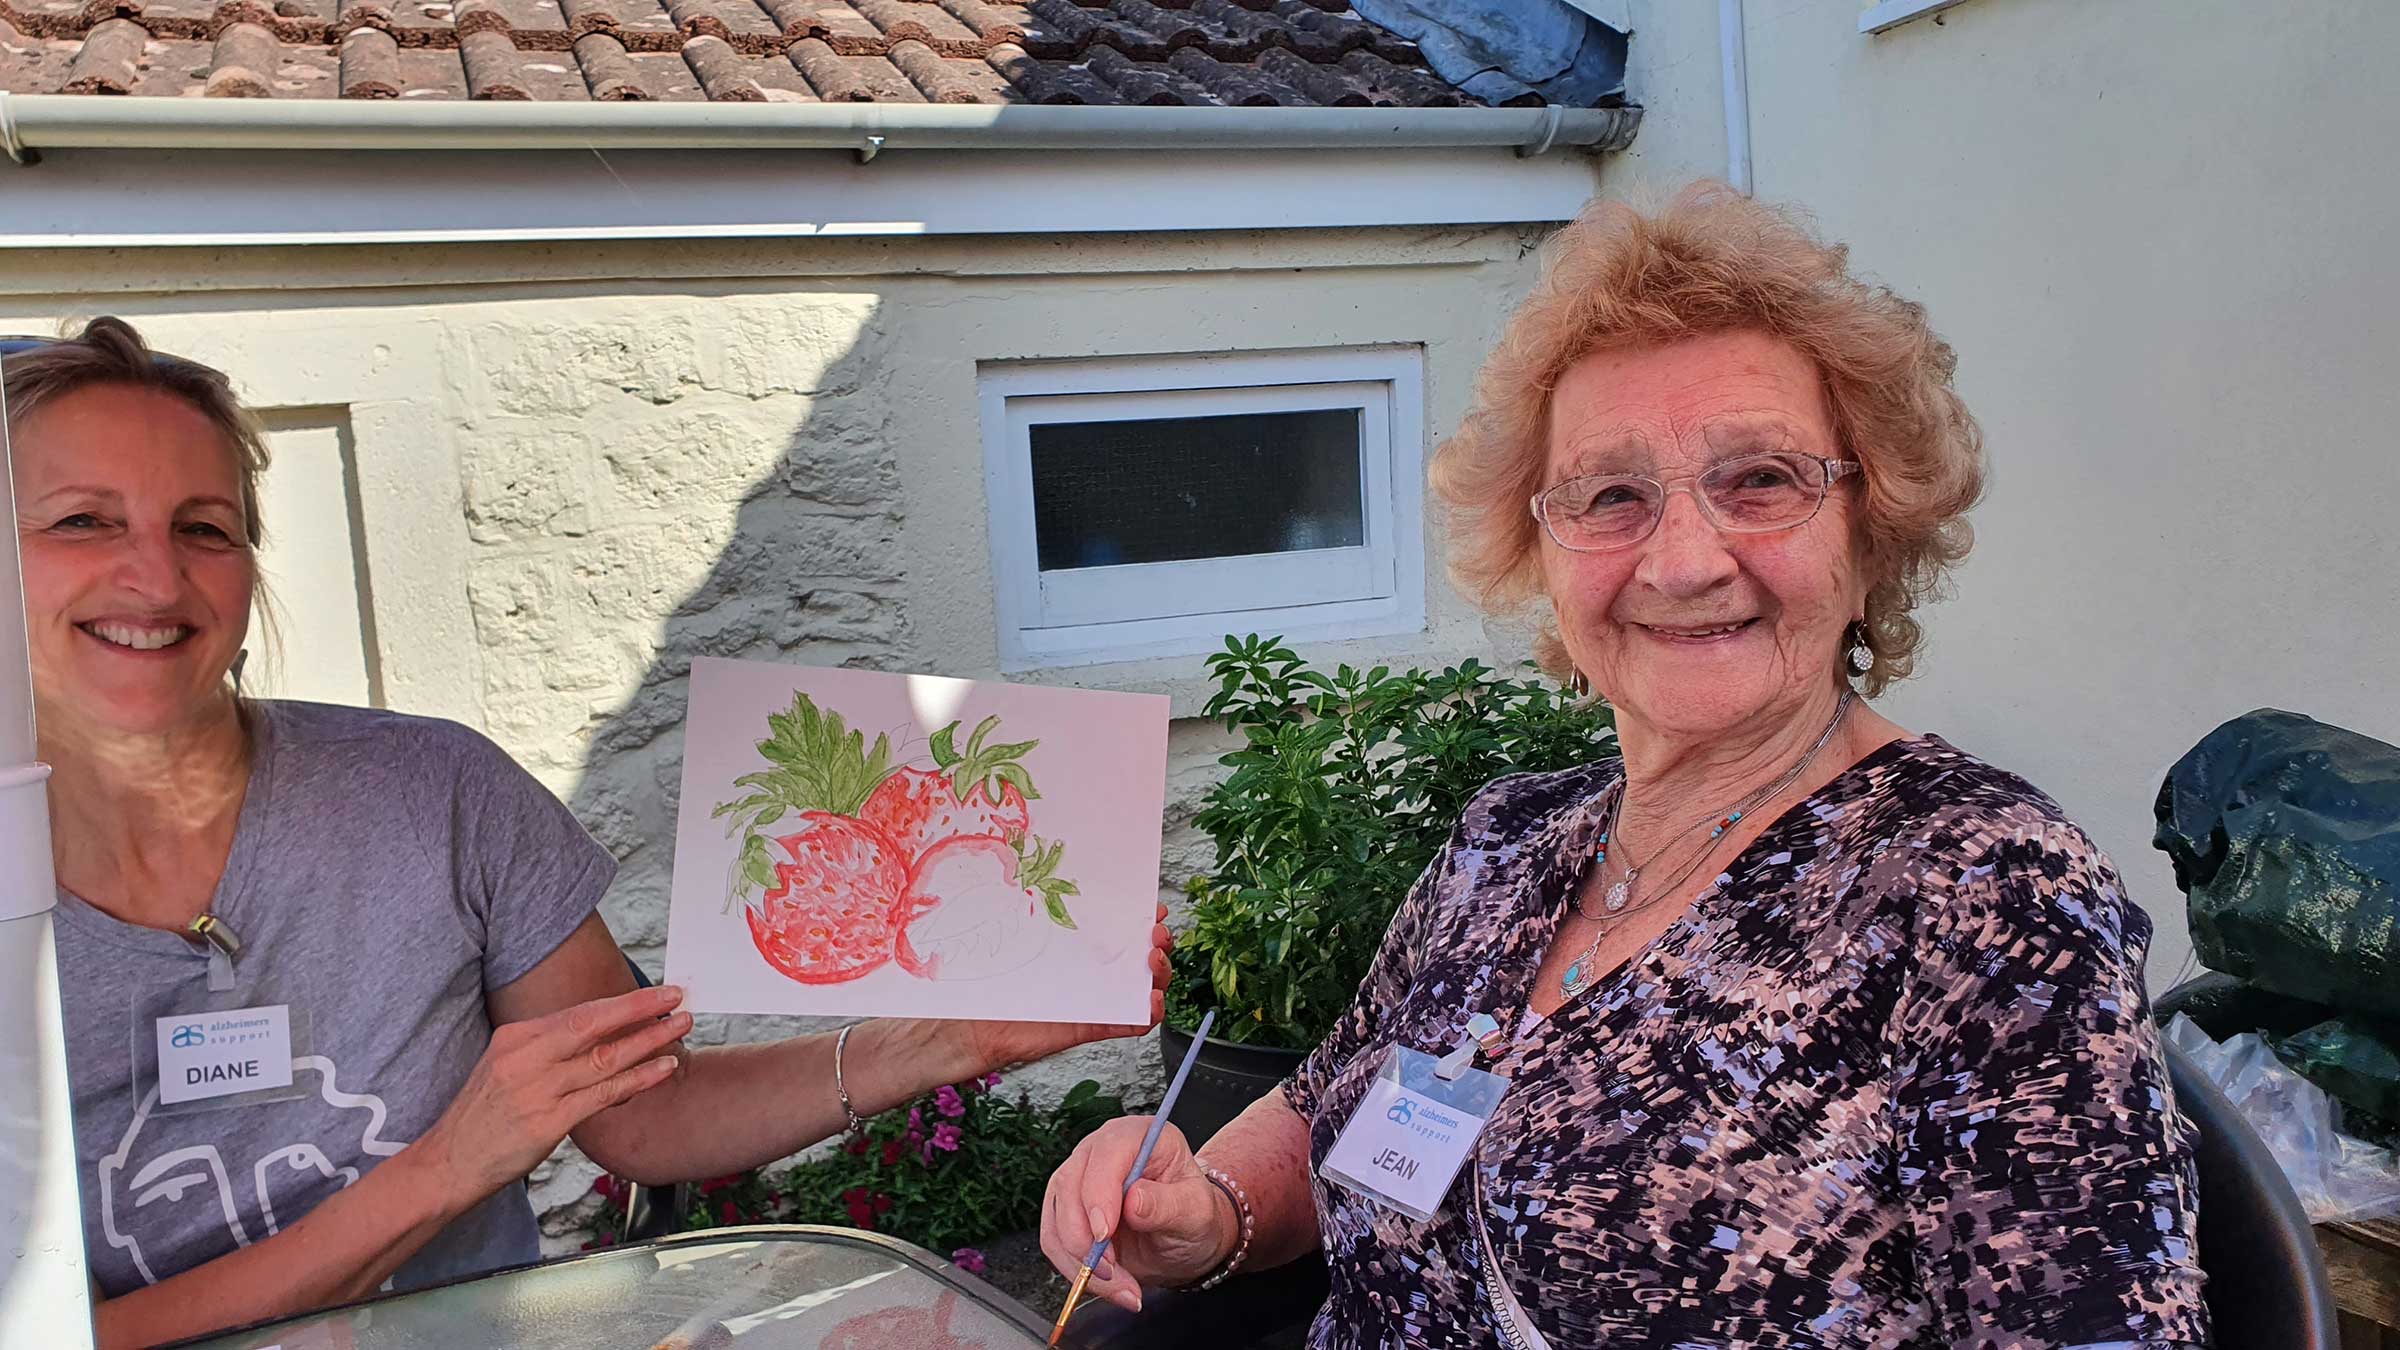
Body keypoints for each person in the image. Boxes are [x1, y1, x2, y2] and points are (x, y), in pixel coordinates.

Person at [1040, 185, 2211, 1349]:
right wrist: (1208, 1213)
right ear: (1541, 554)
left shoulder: (1987, 889)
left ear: (1871, 531)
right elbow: (1329, 1108)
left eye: (1762, 480)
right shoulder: (1509, 839)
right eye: (1612, 496)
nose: (1685, 560)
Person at [2, 318, 1173, 1350]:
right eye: (81, 521)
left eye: (204, 527)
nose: (153, 576)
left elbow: (639, 1111)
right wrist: (450, 1166)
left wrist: (946, 1037)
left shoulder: (434, 793)